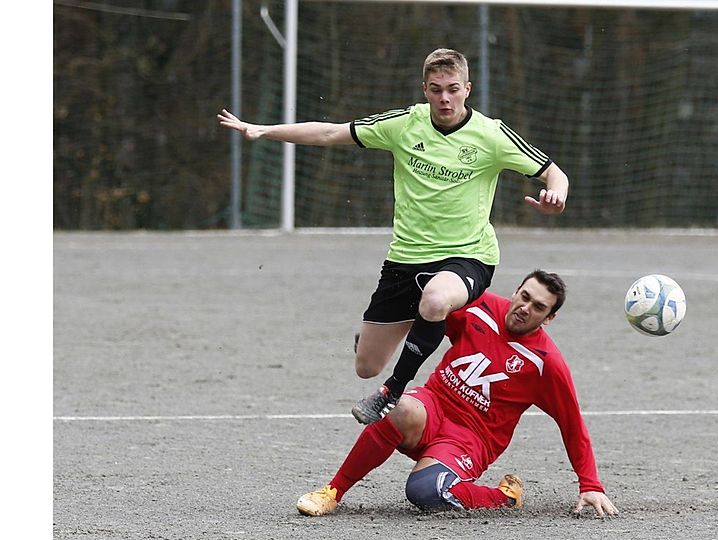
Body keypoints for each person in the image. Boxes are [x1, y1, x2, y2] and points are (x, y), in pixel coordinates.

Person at [218, 48, 569, 425]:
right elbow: (329, 132)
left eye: (453, 89)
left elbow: (554, 173)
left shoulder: (492, 134)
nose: (444, 98)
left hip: (468, 256)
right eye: (436, 90)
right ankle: (378, 348)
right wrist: (263, 130)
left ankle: (392, 390)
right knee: (366, 366)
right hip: (405, 258)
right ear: (424, 89)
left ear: (468, 89)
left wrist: (556, 197)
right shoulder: (404, 124)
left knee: (435, 301)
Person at [295, 270, 619, 517]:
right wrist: (381, 339)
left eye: (538, 307)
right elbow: (427, 316)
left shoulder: (546, 365)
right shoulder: (479, 306)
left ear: (549, 318)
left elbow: (572, 424)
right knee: (397, 407)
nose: (524, 308)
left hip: (470, 439)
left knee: (425, 493)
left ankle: (504, 496)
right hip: (433, 405)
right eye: (524, 296)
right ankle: (334, 491)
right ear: (516, 291)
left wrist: (590, 485)